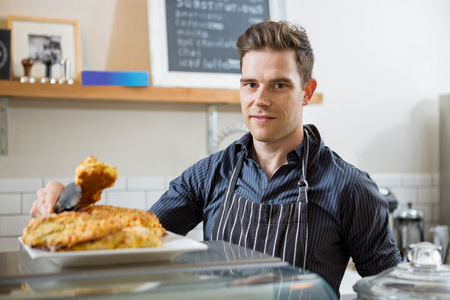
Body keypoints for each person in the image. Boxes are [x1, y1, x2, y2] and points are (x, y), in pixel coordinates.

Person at [31, 19, 401, 297]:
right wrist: (69, 205)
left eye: (279, 85)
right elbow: (139, 237)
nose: (261, 99)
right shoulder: (209, 174)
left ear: (306, 92)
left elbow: (389, 291)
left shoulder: (350, 188)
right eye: (250, 84)